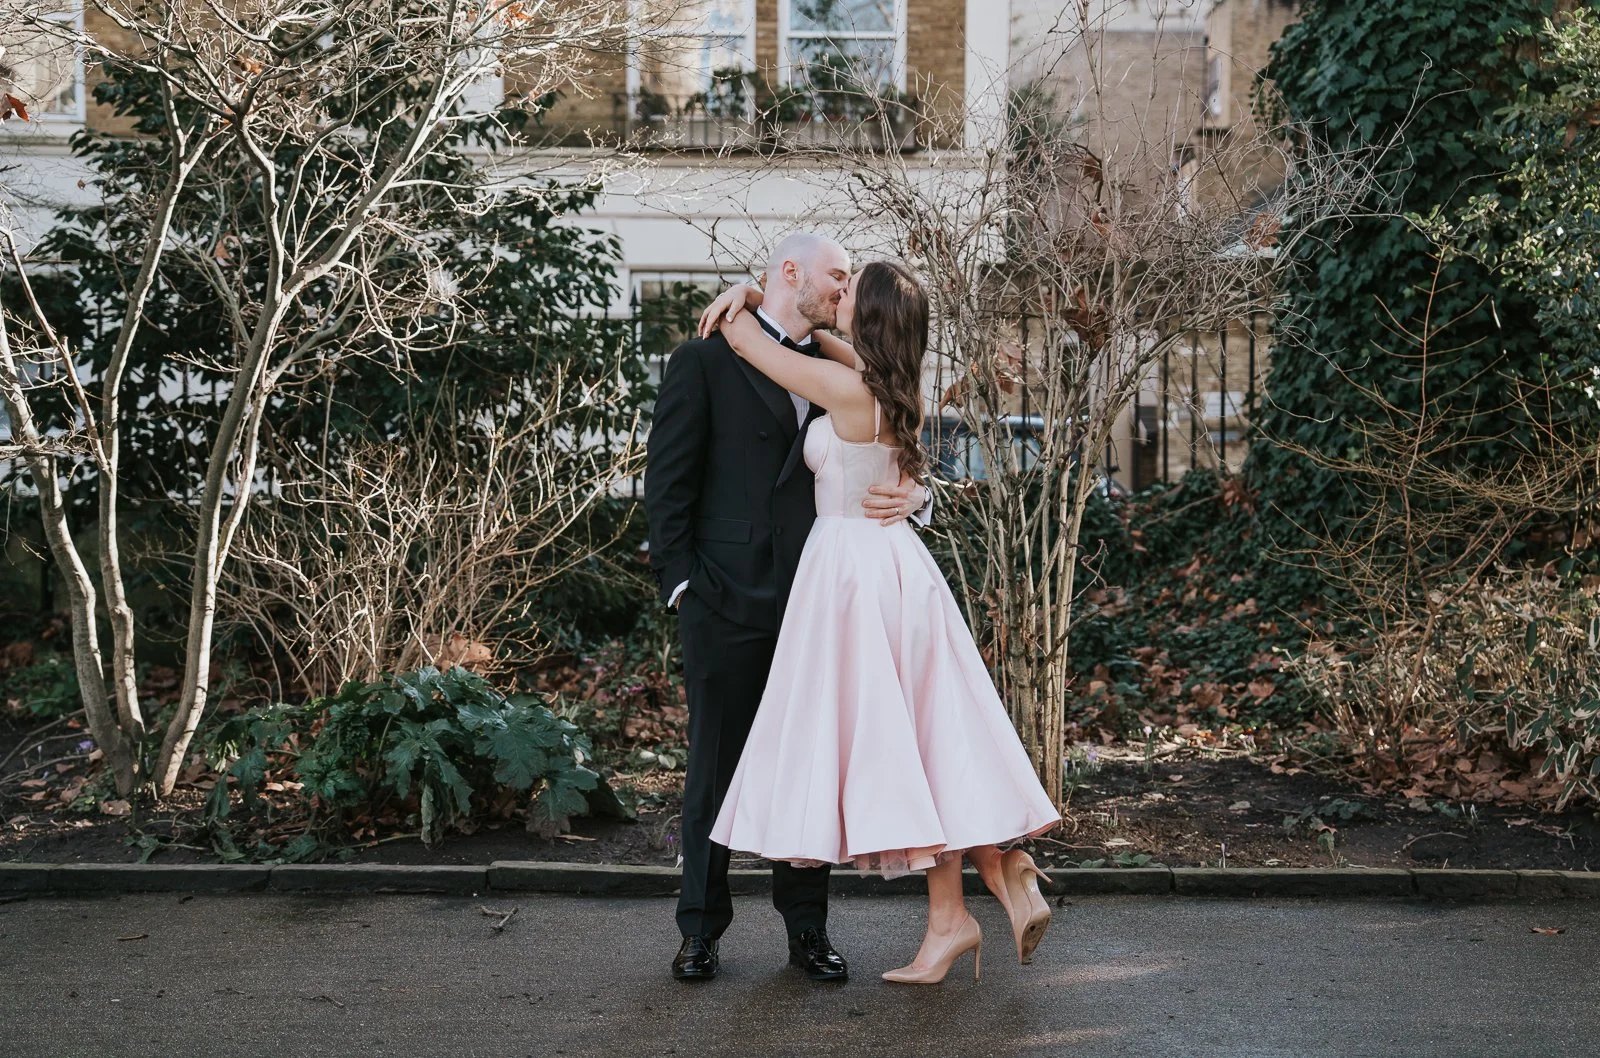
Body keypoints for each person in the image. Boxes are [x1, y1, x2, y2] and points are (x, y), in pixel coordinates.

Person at [698, 260, 1062, 985]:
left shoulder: (845, 392)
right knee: (926, 737)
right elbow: (833, 354)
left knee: (893, 742)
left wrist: (741, 295)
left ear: (867, 317)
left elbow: (752, 346)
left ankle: (971, 897)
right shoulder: (894, 390)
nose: (838, 294)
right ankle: (989, 874)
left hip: (853, 575)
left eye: (849, 289)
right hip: (899, 570)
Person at [644, 233, 932, 983]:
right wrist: (682, 585)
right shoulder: (702, 359)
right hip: (722, 599)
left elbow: (888, 450)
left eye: (850, 281)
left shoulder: (837, 367)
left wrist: (918, 497)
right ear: (790, 273)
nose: (844, 289)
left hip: (817, 607)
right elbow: (667, 483)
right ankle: (700, 930)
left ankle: (807, 931)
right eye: (837, 276)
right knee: (711, 769)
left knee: (812, 766)